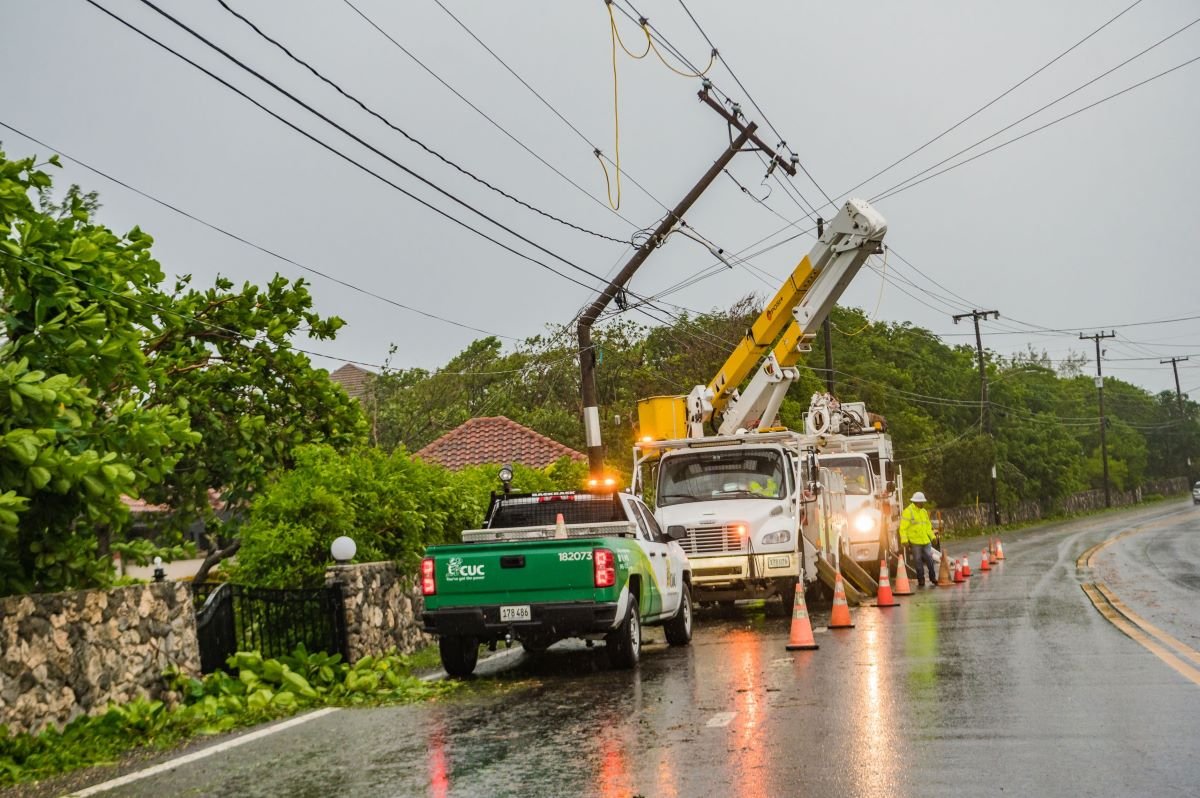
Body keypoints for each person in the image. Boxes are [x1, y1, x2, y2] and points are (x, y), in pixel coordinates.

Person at [900, 491, 936, 587]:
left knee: (929, 559)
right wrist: (904, 540)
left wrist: (932, 536)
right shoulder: (908, 512)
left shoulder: (923, 512)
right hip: (915, 542)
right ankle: (921, 580)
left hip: (925, 541)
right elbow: (903, 528)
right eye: (922, 502)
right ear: (916, 502)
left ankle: (933, 578)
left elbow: (928, 526)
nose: (923, 504)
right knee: (918, 561)